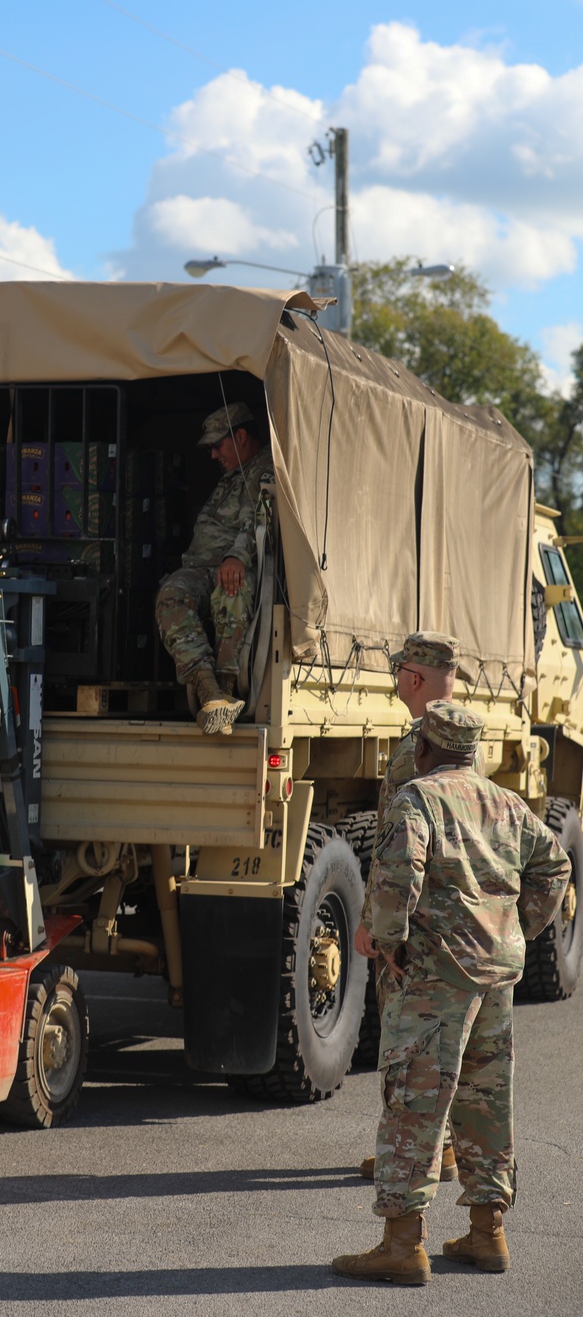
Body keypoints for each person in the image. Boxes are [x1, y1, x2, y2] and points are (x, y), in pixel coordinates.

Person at [332, 701, 570, 1286]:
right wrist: (518, 929)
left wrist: (387, 941)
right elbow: (556, 867)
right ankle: (488, 1232)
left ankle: (402, 1244)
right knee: (485, 1099)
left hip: (438, 976)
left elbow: (396, 877)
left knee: (414, 1099)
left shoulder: (417, 799)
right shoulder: (506, 802)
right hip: (495, 972)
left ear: (425, 749)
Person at [354, 631, 484, 1184]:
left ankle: (408, 1157)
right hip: (456, 918)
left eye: (400, 669)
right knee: (448, 1046)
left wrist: (375, 925)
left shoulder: (419, 747)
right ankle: (444, 1151)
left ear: (412, 678)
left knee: (406, 1043)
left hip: (416, 920)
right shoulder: (460, 735)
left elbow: (401, 846)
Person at [154, 400, 273, 735]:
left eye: (218, 445)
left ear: (242, 436)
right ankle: (210, 691)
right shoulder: (232, 477)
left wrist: (236, 556)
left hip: (235, 567)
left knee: (231, 593)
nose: (213, 455)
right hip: (201, 568)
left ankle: (226, 687)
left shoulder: (265, 472)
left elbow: (260, 521)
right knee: (171, 595)